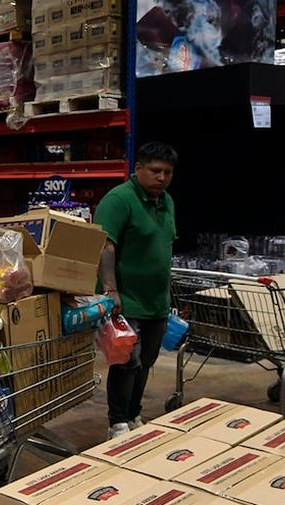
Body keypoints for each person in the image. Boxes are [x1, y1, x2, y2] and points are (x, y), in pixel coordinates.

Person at [94, 142, 178, 439]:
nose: (162, 177)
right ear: (138, 168)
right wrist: (110, 289)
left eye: (167, 172)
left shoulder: (166, 202)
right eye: (155, 170)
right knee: (127, 361)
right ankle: (116, 421)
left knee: (148, 361)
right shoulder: (118, 200)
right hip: (125, 300)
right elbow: (106, 245)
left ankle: (133, 413)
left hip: (156, 302)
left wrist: (168, 295)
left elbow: (165, 247)